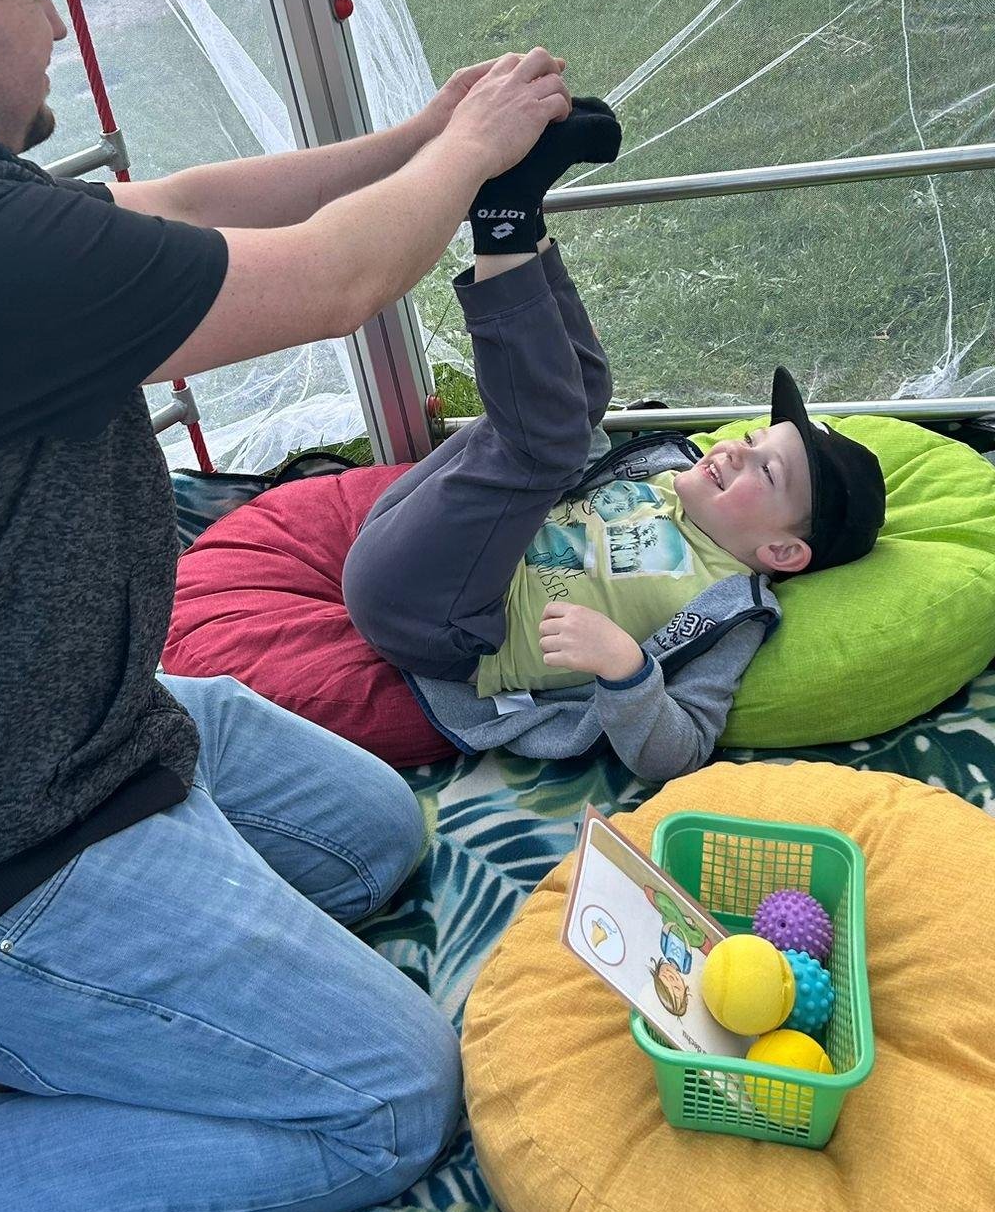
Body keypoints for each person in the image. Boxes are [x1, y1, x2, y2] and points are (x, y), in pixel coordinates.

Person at [0, 0, 573, 1212]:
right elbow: (342, 278)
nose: (61, 18)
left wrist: (423, 138)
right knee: (388, 1098)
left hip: (72, 719)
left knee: (373, 839)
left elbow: (176, 207)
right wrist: (480, 153)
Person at [344, 101, 888, 780]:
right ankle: (521, 215)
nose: (734, 450)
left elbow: (681, 748)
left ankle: (500, 218)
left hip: (431, 617)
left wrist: (626, 667)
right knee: (584, 400)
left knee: (547, 439)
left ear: (782, 551)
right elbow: (574, 446)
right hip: (419, 538)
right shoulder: (666, 473)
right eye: (753, 437)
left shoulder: (730, 609)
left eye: (766, 471)